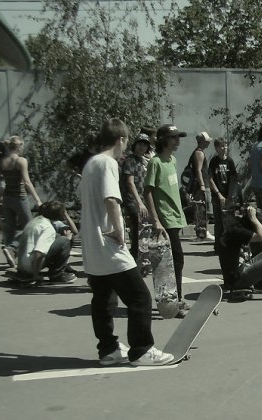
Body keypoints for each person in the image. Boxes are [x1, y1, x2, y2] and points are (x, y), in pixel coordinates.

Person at [81, 118, 173, 366]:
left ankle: (108, 349)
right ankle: (142, 350)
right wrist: (119, 231)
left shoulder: (90, 164)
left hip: (92, 247)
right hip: (108, 245)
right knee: (140, 298)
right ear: (121, 140)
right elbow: (111, 199)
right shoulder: (108, 163)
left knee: (102, 300)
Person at [143, 124, 189, 318]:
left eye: (179, 137)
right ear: (163, 140)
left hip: (176, 217)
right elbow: (147, 191)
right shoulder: (155, 162)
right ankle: (175, 303)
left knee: (174, 261)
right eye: (174, 137)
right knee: (175, 260)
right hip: (165, 219)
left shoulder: (173, 160)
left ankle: (174, 300)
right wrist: (156, 220)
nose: (178, 141)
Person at [0, 136, 43, 267]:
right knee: (30, 227)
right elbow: (27, 182)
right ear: (19, 147)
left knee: (10, 229)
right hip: (20, 198)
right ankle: (12, 249)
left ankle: (10, 253)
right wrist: (37, 199)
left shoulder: (1, 161)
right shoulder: (21, 161)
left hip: (7, 197)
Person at [15, 201, 76, 284]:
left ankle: (29, 271)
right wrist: (35, 275)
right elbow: (39, 253)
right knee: (64, 241)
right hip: (30, 267)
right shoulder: (48, 228)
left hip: (22, 265)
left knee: (58, 237)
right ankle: (57, 275)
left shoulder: (34, 221)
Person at [121, 133, 151, 258]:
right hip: (133, 200)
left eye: (144, 145)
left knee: (143, 230)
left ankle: (141, 257)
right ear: (135, 145)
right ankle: (134, 257)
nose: (142, 147)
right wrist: (139, 202)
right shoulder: (130, 160)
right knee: (137, 229)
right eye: (140, 144)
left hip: (143, 200)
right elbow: (130, 182)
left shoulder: (144, 161)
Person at [208, 137, 237, 251]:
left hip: (228, 195)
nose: (224, 148)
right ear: (216, 148)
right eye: (221, 146)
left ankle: (229, 245)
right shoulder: (214, 162)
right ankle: (218, 245)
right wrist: (218, 194)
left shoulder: (230, 161)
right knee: (219, 222)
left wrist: (230, 194)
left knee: (229, 221)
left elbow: (233, 178)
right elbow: (210, 179)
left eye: (225, 146)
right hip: (217, 196)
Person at [189, 131, 214, 241]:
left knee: (202, 208)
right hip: (202, 185)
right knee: (204, 209)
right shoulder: (199, 153)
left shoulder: (199, 152)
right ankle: (203, 232)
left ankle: (202, 232)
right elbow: (198, 170)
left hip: (203, 184)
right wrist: (202, 185)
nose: (208, 143)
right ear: (202, 141)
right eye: (207, 141)